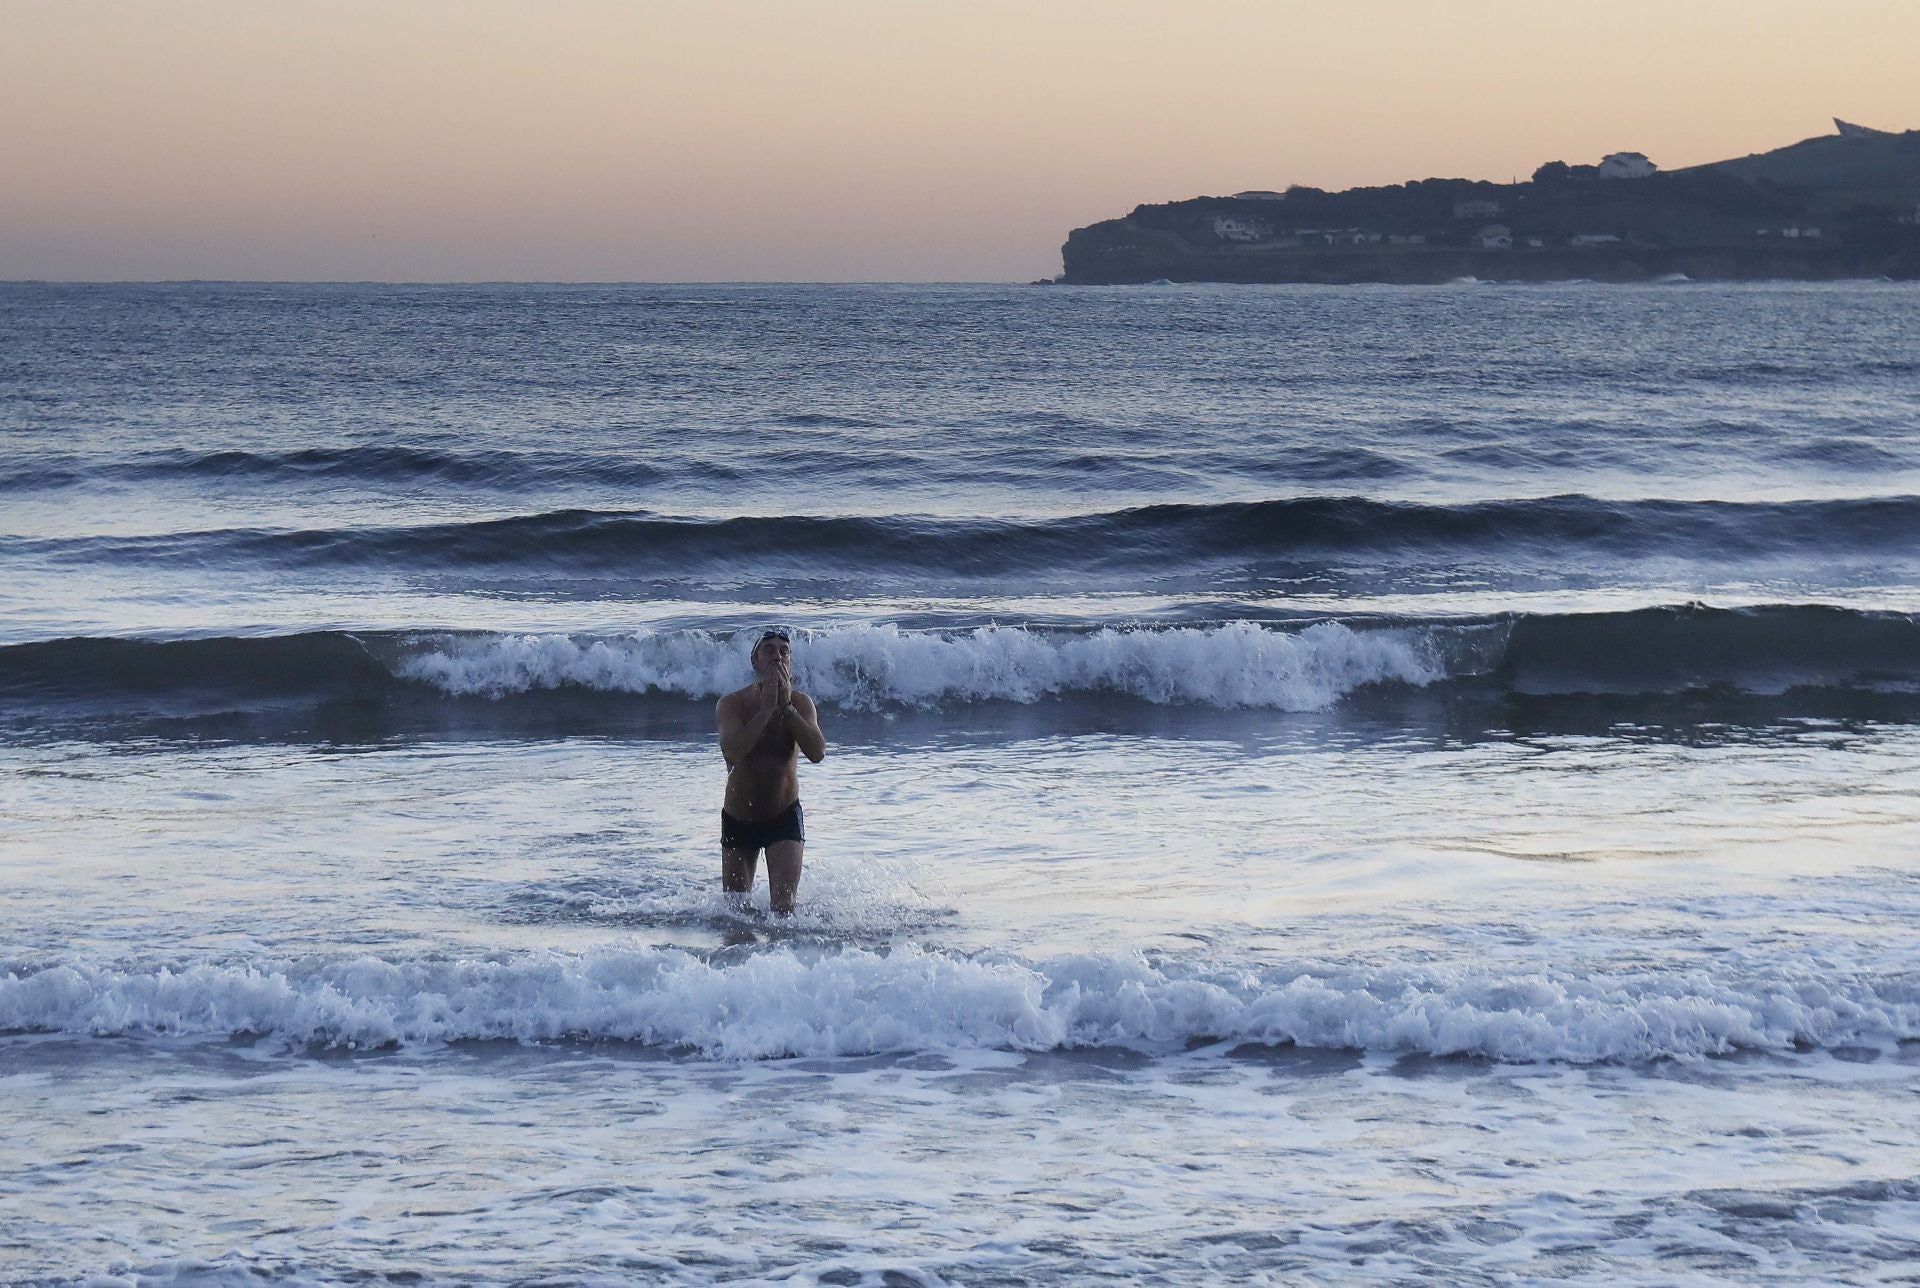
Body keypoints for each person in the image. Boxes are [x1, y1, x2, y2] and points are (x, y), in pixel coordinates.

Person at [716, 628, 827, 914]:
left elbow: (817, 752)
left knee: (784, 909)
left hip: (784, 815)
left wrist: (786, 707)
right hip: (740, 817)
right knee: (736, 913)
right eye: (769, 650)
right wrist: (765, 710)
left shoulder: (801, 704)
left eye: (784, 651)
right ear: (755, 661)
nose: (777, 656)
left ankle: (784, 960)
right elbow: (732, 752)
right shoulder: (732, 704)